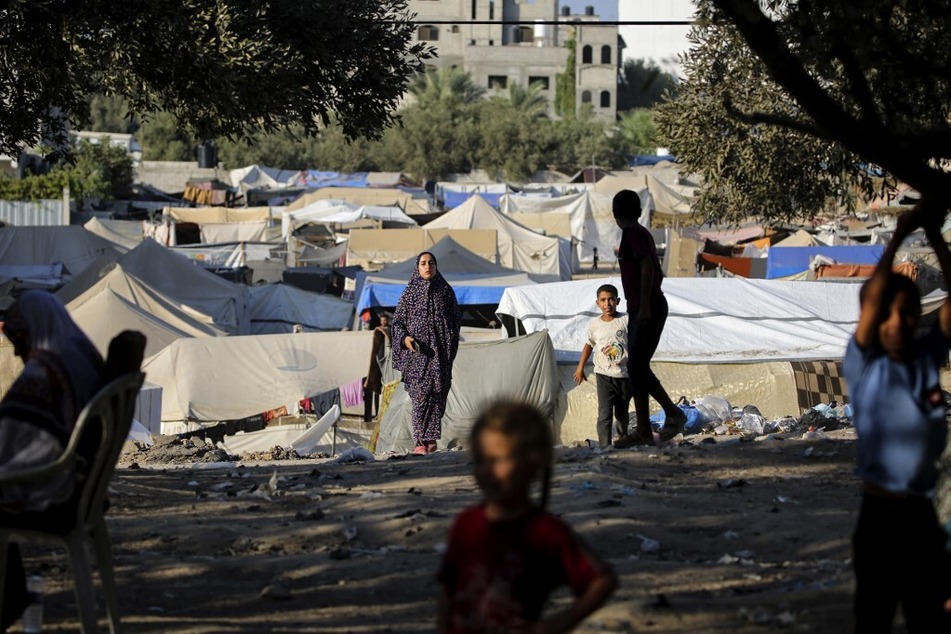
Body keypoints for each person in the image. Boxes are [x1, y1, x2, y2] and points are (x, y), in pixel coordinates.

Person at [843, 203, 951, 632]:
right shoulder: (865, 363)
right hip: (880, 518)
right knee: (875, 617)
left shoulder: (927, 357)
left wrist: (935, 235)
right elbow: (872, 297)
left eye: (907, 312)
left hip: (923, 515)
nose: (897, 321)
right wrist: (899, 236)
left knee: (929, 617)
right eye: (887, 312)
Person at [437, 400, 617, 633]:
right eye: (480, 460)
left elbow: (602, 580)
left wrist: (556, 624)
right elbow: (448, 589)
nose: (486, 471)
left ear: (532, 463)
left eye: (498, 460)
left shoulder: (545, 532)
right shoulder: (467, 523)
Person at [0, 291, 106, 631]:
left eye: (19, 340)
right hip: (83, 486)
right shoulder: (82, 355)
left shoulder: (43, 373)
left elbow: (15, 440)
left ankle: (8, 598)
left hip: (57, 494)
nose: (17, 351)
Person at [612, 190, 686, 447]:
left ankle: (673, 413)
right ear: (639, 210)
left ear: (615, 214)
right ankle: (644, 428)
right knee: (637, 366)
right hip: (644, 305)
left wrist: (644, 306)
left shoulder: (632, 233)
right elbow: (657, 269)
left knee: (637, 366)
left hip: (647, 306)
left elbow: (647, 266)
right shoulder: (638, 233)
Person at [391, 252, 461, 455]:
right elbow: (398, 323)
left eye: (431, 263)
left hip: (440, 356)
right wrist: (405, 340)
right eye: (423, 263)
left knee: (437, 396)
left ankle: (430, 441)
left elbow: (456, 319)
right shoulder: (410, 293)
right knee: (420, 396)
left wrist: (448, 341)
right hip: (417, 356)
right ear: (417, 268)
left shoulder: (445, 292)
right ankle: (420, 441)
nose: (427, 266)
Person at [573, 284, 631, 447]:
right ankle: (605, 447)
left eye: (611, 299)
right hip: (604, 376)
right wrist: (580, 367)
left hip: (625, 375)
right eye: (603, 300)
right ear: (597, 303)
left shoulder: (625, 320)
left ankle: (622, 440)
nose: (607, 304)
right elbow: (589, 345)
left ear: (617, 301)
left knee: (621, 413)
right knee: (604, 414)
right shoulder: (595, 325)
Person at [363, 312, 392, 422]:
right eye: (382, 320)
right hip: (380, 363)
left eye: (385, 320)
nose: (383, 322)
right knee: (377, 391)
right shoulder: (378, 330)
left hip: (387, 362)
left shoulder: (390, 330)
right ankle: (377, 414)